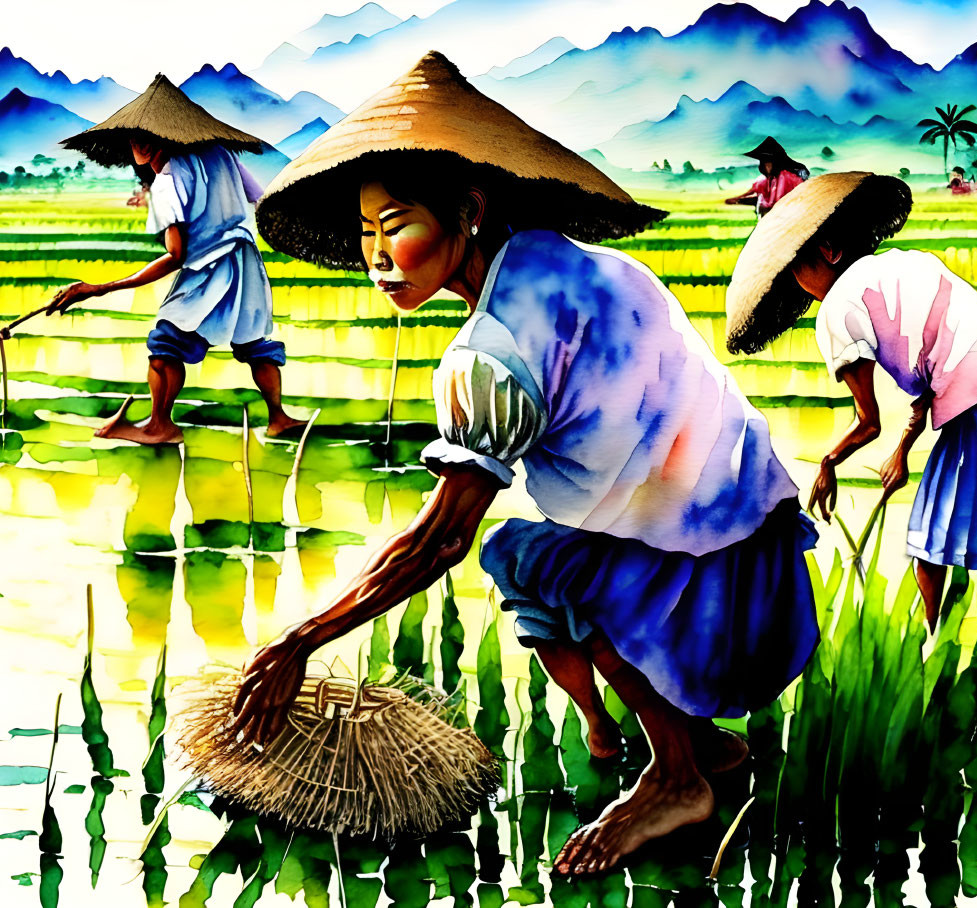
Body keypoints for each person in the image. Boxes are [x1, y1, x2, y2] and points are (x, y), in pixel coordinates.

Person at [232, 51, 819, 875]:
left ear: (468, 211)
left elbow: (438, 542)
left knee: (535, 559)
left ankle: (675, 774)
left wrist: (298, 643)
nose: (374, 253)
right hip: (767, 575)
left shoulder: (490, 354)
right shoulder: (576, 264)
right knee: (524, 551)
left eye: (395, 223)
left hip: (719, 610)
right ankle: (675, 737)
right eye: (365, 231)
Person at [724, 172, 977, 635]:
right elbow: (970, 335)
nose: (796, 280)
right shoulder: (908, 263)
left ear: (827, 250)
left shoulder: (838, 309)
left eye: (796, 265)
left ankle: (930, 648)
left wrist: (828, 461)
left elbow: (868, 422)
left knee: (929, 540)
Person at [47, 74, 305, 444]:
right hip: (245, 263)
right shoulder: (220, 154)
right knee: (253, 341)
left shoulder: (167, 182)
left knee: (165, 344)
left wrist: (100, 288)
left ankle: (159, 425)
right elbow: (259, 198)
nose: (137, 142)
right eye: (134, 135)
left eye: (146, 135)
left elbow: (175, 255)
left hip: (207, 268)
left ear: (163, 138)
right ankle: (278, 418)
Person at [724, 136, 807, 216]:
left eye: (769, 164)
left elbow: (800, 190)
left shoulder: (786, 176)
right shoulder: (766, 180)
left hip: (786, 209)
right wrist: (737, 199)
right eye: (765, 164)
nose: (767, 167)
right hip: (773, 210)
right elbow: (753, 191)